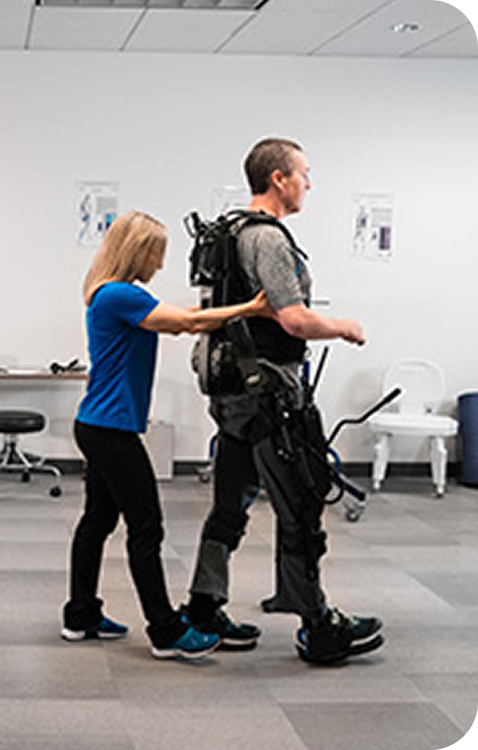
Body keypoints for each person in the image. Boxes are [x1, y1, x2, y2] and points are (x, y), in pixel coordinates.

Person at [183, 137, 385, 664]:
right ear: (279, 178)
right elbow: (293, 320)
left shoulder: (226, 234)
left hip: (230, 393)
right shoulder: (268, 240)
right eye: (304, 173)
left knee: (229, 506)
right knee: (300, 504)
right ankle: (318, 626)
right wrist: (343, 327)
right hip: (268, 395)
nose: (308, 183)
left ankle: (203, 608)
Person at [62, 210, 272, 660]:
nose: (159, 264)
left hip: (97, 425)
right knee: (147, 528)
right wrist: (252, 309)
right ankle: (165, 630)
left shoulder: (111, 292)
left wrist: (224, 308)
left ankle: (80, 615)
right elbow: (188, 324)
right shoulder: (119, 294)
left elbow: (186, 316)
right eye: (155, 254)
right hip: (111, 431)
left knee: (97, 521)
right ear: (136, 250)